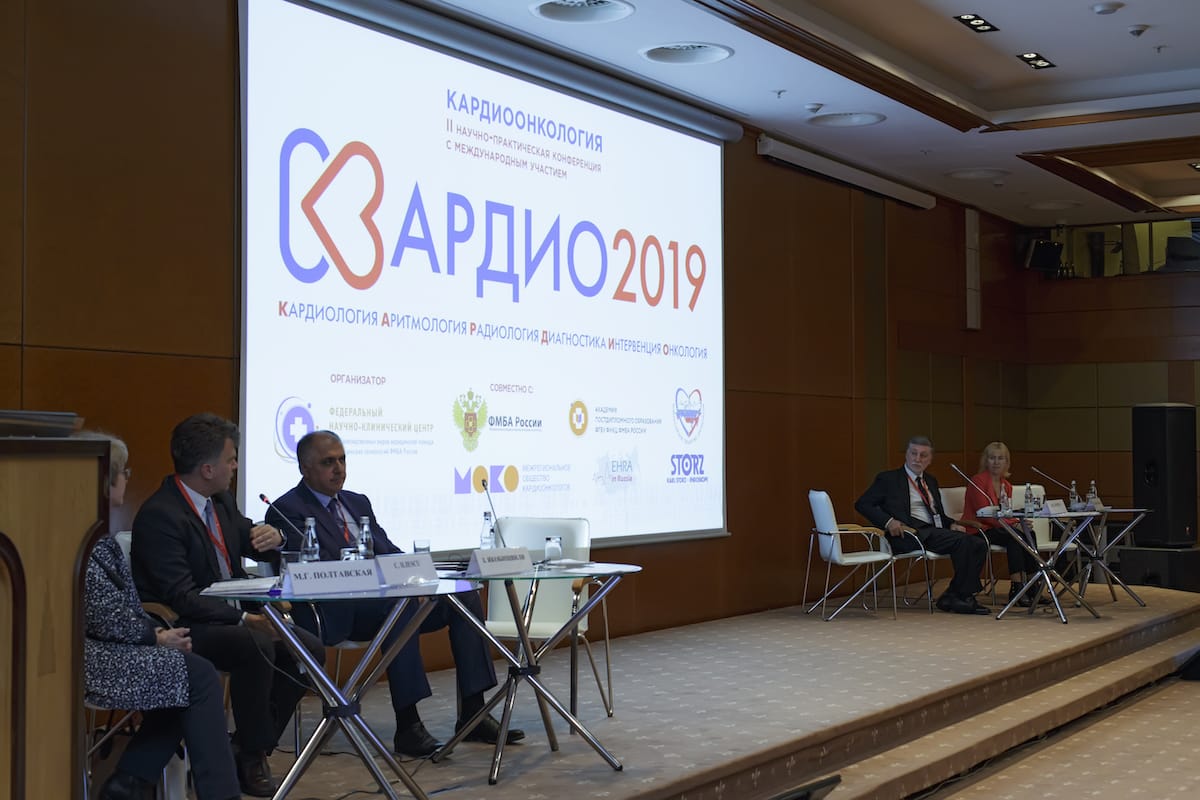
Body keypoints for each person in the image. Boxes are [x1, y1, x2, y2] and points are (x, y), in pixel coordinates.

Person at [266, 429, 524, 758]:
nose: (339, 469)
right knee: (400, 607)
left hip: (382, 605)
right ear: (305, 468)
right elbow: (322, 564)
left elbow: (387, 551)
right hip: (333, 613)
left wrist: (416, 576)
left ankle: (473, 713)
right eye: (328, 462)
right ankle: (408, 726)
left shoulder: (357, 502)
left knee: (463, 597)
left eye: (342, 460)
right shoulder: (287, 509)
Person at [130, 413, 325, 797]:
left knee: (308, 648)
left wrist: (275, 536)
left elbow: (249, 539)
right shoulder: (160, 515)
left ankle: (249, 745)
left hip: (232, 616)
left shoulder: (219, 501)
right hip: (184, 624)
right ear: (207, 469)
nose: (235, 466)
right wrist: (243, 619)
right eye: (231, 459)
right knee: (256, 645)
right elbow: (183, 596)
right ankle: (251, 757)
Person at [82, 432, 240, 800]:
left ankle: (129, 782)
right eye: (124, 472)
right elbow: (105, 617)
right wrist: (155, 637)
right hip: (92, 659)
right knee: (196, 676)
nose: (128, 478)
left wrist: (157, 636)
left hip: (109, 647)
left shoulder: (93, 532)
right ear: (106, 481)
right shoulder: (85, 538)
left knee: (185, 672)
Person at [855, 435, 990, 615]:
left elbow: (937, 515)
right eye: (913, 453)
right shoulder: (889, 479)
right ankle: (963, 596)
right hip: (907, 534)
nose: (917, 459)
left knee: (979, 543)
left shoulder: (930, 481)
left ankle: (954, 594)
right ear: (907, 454)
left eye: (923, 455)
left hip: (931, 532)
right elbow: (863, 504)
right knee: (964, 542)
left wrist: (952, 524)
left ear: (930, 459)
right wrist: (888, 522)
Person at [962, 441, 1044, 607]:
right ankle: (1017, 588)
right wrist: (1013, 526)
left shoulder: (1006, 485)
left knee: (1028, 534)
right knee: (1014, 537)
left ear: (1007, 462)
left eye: (1001, 458)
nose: (996, 462)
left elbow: (1006, 513)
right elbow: (985, 514)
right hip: (979, 529)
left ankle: (1032, 585)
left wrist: (1019, 523)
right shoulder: (977, 481)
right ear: (986, 460)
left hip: (999, 528)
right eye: (992, 458)